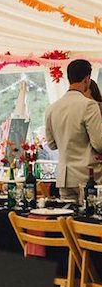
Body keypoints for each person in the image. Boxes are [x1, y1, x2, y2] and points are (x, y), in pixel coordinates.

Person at [45, 59, 102, 199]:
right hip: (88, 176)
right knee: (90, 219)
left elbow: (51, 145)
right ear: (87, 79)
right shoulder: (88, 105)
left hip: (64, 178)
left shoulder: (52, 108)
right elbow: (99, 144)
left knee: (69, 218)